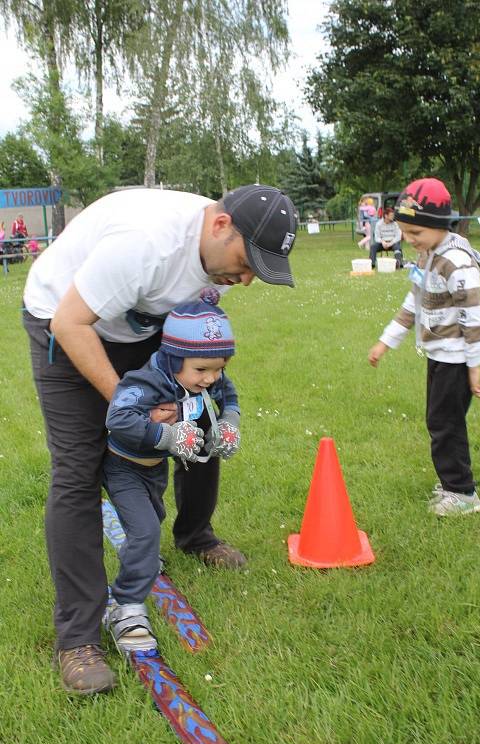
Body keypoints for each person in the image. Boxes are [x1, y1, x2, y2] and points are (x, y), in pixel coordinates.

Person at [22, 183, 298, 695]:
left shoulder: (219, 261)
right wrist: (133, 407)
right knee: (79, 470)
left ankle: (196, 536)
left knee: (199, 415)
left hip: (140, 325)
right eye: (246, 261)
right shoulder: (147, 244)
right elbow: (70, 321)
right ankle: (79, 637)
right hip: (64, 320)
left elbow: (196, 352)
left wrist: (194, 411)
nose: (245, 279)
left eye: (258, 271)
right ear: (220, 225)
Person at [104, 288, 240, 651]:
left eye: (219, 369)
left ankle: (143, 557)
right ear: (173, 357)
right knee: (147, 530)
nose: (211, 378)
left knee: (153, 520)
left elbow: (229, 396)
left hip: (152, 471)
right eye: (202, 370)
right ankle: (125, 603)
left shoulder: (203, 375)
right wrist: (167, 435)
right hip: (123, 468)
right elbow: (117, 417)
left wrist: (229, 423)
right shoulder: (147, 381)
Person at [368, 178, 480, 518]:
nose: (409, 240)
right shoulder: (427, 255)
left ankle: (463, 493)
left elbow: (472, 316)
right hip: (439, 356)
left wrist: (473, 364)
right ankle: (453, 485)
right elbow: (413, 302)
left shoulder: (456, 261)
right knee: (440, 420)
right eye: (406, 233)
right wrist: (385, 342)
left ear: (438, 226)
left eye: (415, 233)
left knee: (444, 423)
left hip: (456, 359)